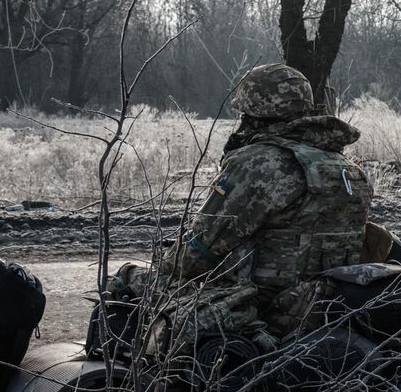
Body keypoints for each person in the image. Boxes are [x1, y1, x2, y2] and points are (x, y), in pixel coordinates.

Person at [135, 61, 376, 350]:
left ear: (252, 112)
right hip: (327, 307)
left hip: (264, 311)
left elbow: (197, 254)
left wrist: (164, 264)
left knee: (131, 279)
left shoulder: (259, 162)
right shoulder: (348, 168)